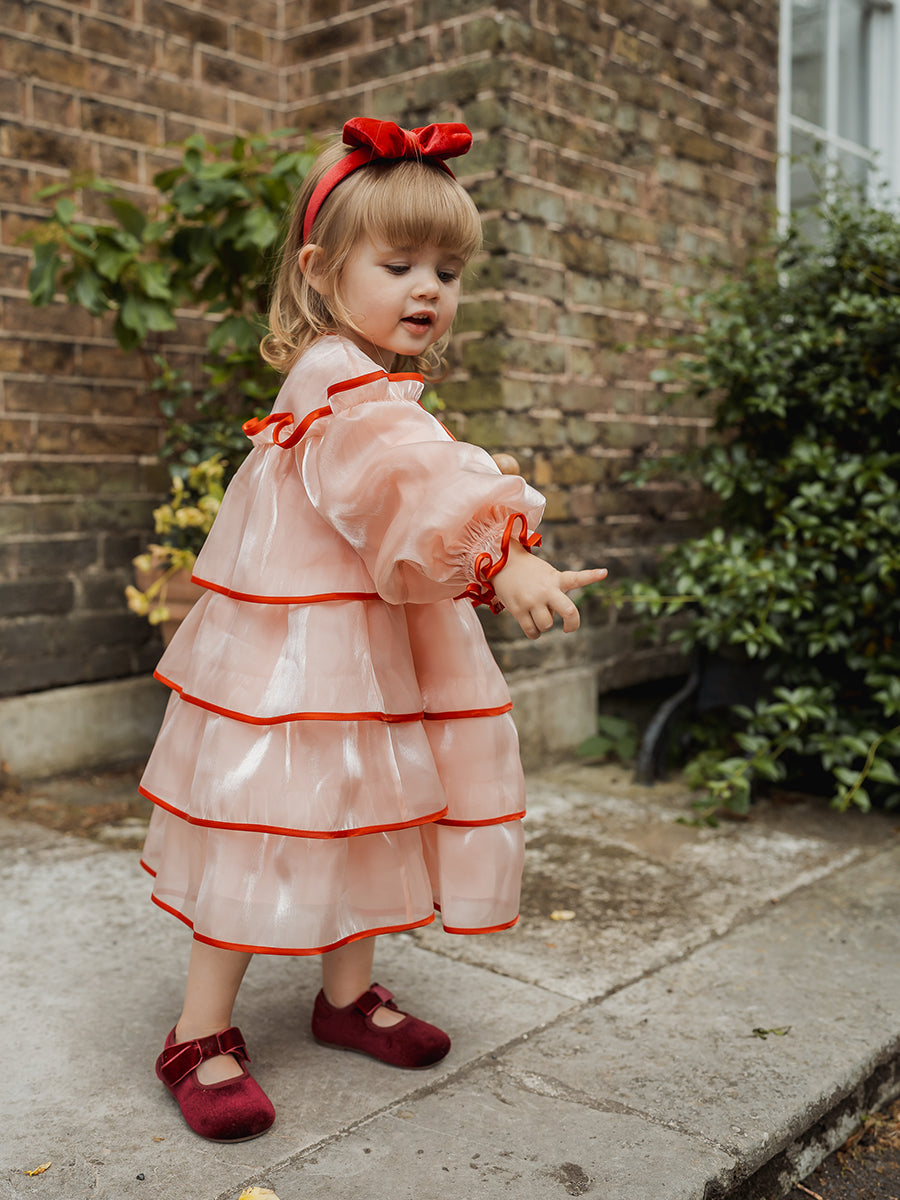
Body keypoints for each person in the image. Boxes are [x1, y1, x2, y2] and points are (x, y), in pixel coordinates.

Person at [139, 117, 607, 1143]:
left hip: (365, 654)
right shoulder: (335, 378)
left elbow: (399, 498)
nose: (428, 288)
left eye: (448, 270)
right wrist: (500, 551)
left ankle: (345, 995)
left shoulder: (379, 386)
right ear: (320, 271)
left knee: (370, 809)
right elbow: (404, 478)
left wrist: (485, 551)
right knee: (268, 818)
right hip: (300, 665)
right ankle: (199, 1031)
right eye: (398, 265)